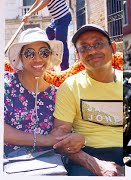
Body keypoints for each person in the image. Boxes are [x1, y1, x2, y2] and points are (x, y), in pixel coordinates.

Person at [52, 24, 124, 176]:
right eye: (84, 48)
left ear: (113, 48)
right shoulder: (70, 87)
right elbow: (59, 141)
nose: (92, 51)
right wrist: (94, 164)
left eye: (98, 44)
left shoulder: (130, 84)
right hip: (87, 154)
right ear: (78, 56)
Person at [4, 27, 84, 158]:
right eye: (29, 53)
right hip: (8, 165)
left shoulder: (57, 95)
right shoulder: (5, 84)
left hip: (49, 165)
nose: (37, 59)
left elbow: (63, 135)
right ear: (20, 57)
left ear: (50, 56)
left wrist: (79, 138)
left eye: (44, 52)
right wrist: (46, 139)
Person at [22, 0, 72, 70]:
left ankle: (65, 68)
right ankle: (53, 54)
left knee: (61, 42)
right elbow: (37, 3)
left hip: (63, 17)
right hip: (56, 19)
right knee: (49, 31)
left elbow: (45, 2)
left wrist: (29, 14)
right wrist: (26, 15)